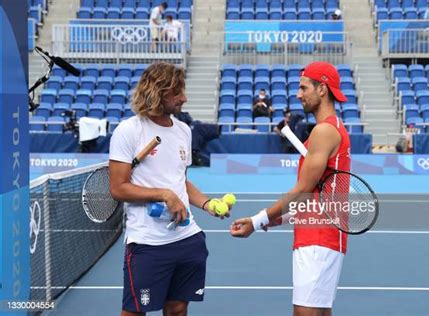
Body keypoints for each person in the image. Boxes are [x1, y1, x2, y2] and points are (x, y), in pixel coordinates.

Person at [109, 62, 230, 316]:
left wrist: (207, 204)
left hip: (187, 239)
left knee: (177, 309)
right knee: (134, 312)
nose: (184, 98)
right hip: (147, 244)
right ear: (157, 93)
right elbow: (118, 188)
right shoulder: (129, 131)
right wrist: (164, 195)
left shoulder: (184, 130)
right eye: (177, 93)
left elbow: (179, 180)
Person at [230, 62, 351, 316]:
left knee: (305, 313)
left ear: (322, 89)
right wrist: (279, 218)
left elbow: (303, 190)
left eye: (303, 87)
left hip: (318, 236)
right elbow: (315, 197)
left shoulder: (324, 131)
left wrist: (257, 220)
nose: (298, 94)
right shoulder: (331, 129)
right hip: (322, 232)